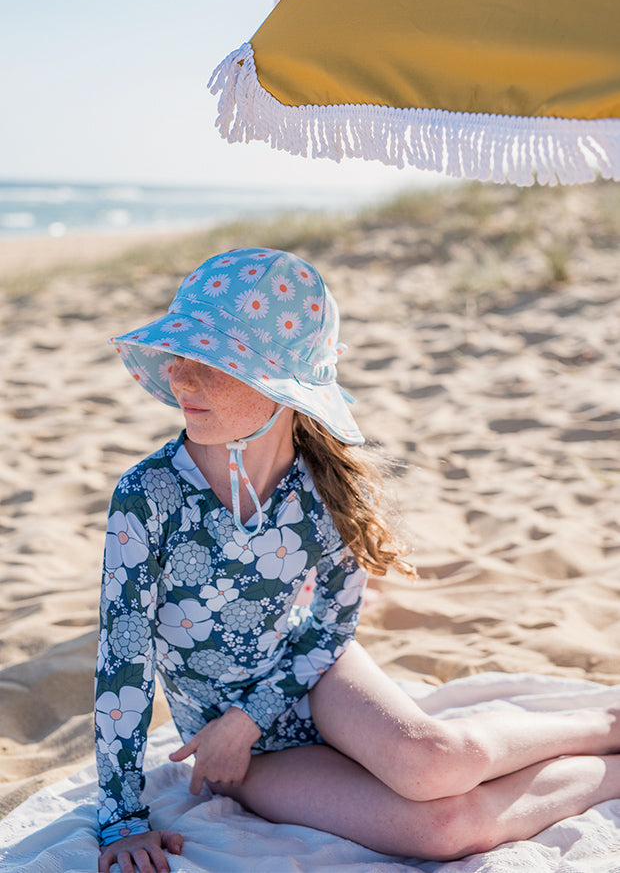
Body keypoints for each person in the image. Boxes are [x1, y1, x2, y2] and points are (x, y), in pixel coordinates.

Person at [96, 247, 620, 873]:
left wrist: (252, 713)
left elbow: (332, 626)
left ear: (282, 390)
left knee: (437, 764)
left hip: (315, 676)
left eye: (212, 362)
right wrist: (122, 819)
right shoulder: (147, 494)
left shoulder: (327, 489)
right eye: (180, 355)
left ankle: (610, 723)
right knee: (445, 827)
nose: (182, 377)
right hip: (228, 744)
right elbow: (121, 660)